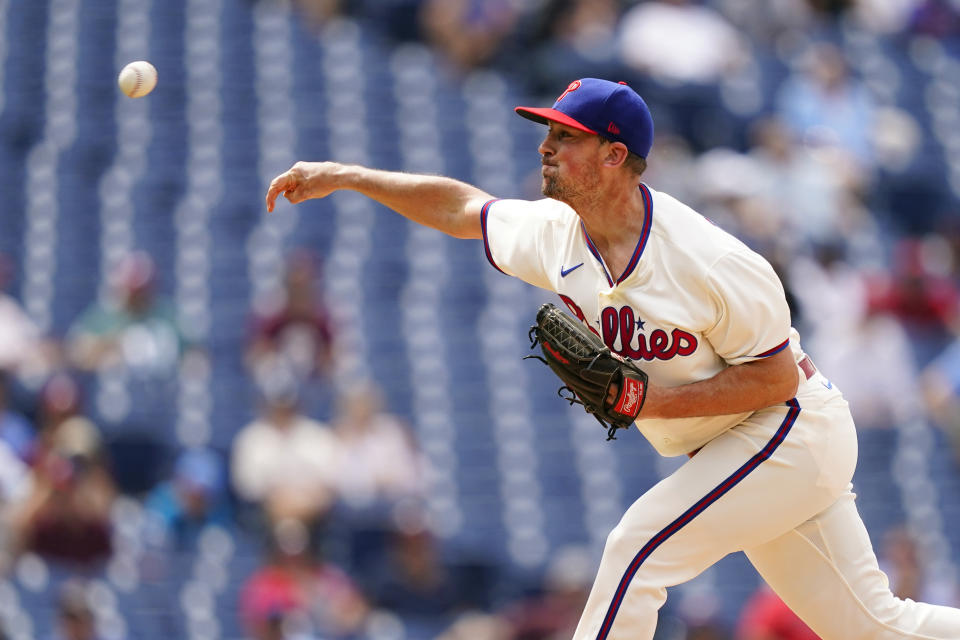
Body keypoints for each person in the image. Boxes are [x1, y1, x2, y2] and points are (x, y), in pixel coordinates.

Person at [266, 78, 960, 638]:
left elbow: (776, 378)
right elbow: (461, 209)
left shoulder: (711, 259)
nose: (546, 146)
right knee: (877, 629)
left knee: (635, 548)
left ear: (613, 156)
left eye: (566, 136)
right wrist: (349, 176)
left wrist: (652, 403)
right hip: (742, 447)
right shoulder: (555, 236)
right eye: (548, 131)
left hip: (790, 430)